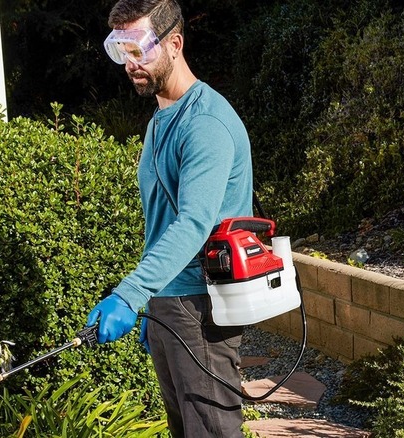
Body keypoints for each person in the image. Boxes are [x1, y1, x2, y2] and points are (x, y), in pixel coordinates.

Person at [86, 1, 253, 436]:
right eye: (121, 50)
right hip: (169, 303)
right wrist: (151, 305)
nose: (130, 63)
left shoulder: (205, 123)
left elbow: (195, 222)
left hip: (200, 306)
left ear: (175, 43)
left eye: (139, 49)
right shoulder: (162, 117)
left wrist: (130, 294)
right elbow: (160, 218)